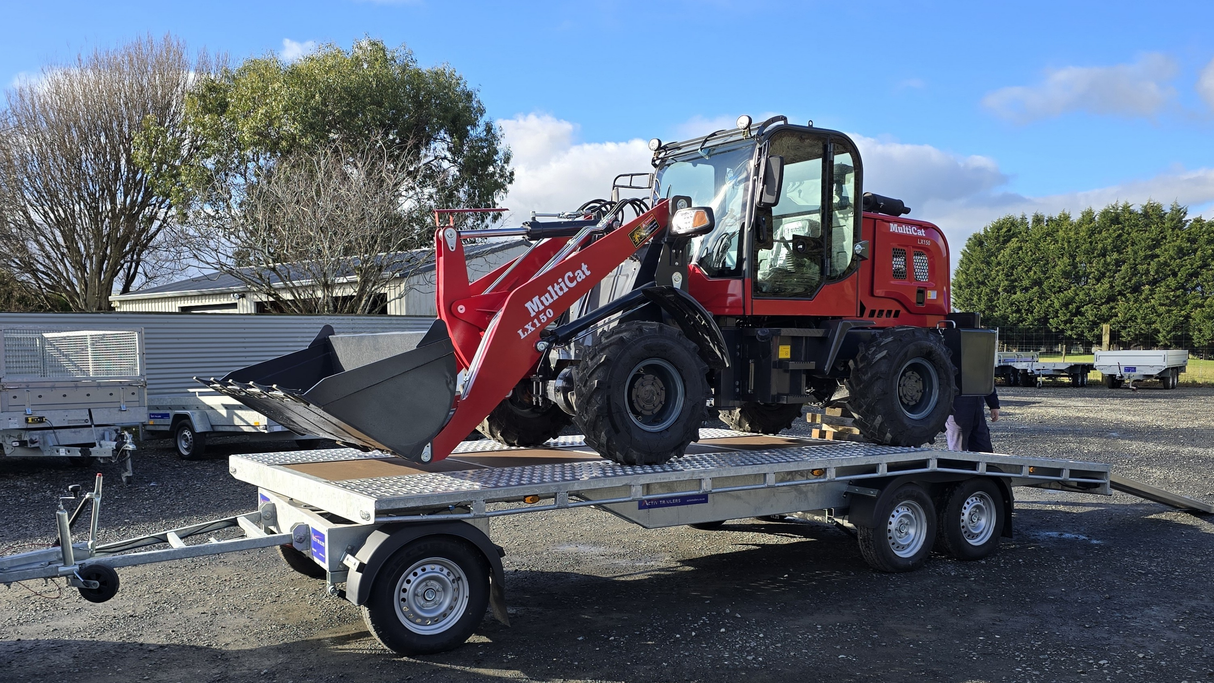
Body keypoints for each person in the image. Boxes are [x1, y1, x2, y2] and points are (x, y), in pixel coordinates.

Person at [945, 388, 1000, 452]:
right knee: (958, 451)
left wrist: (994, 405)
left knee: (984, 450)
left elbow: (987, 383)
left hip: (977, 411)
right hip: (956, 409)